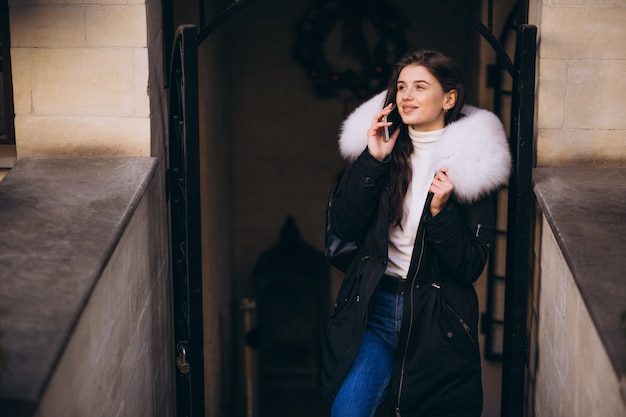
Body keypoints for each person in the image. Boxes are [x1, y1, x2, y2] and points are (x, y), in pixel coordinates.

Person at [319, 49, 511, 417]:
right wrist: (372, 160)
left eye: (420, 87)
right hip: (374, 310)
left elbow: (470, 265)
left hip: (436, 323)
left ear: (449, 98)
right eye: (402, 86)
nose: (406, 96)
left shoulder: (473, 166)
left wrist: (440, 214)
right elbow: (343, 226)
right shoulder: (382, 152)